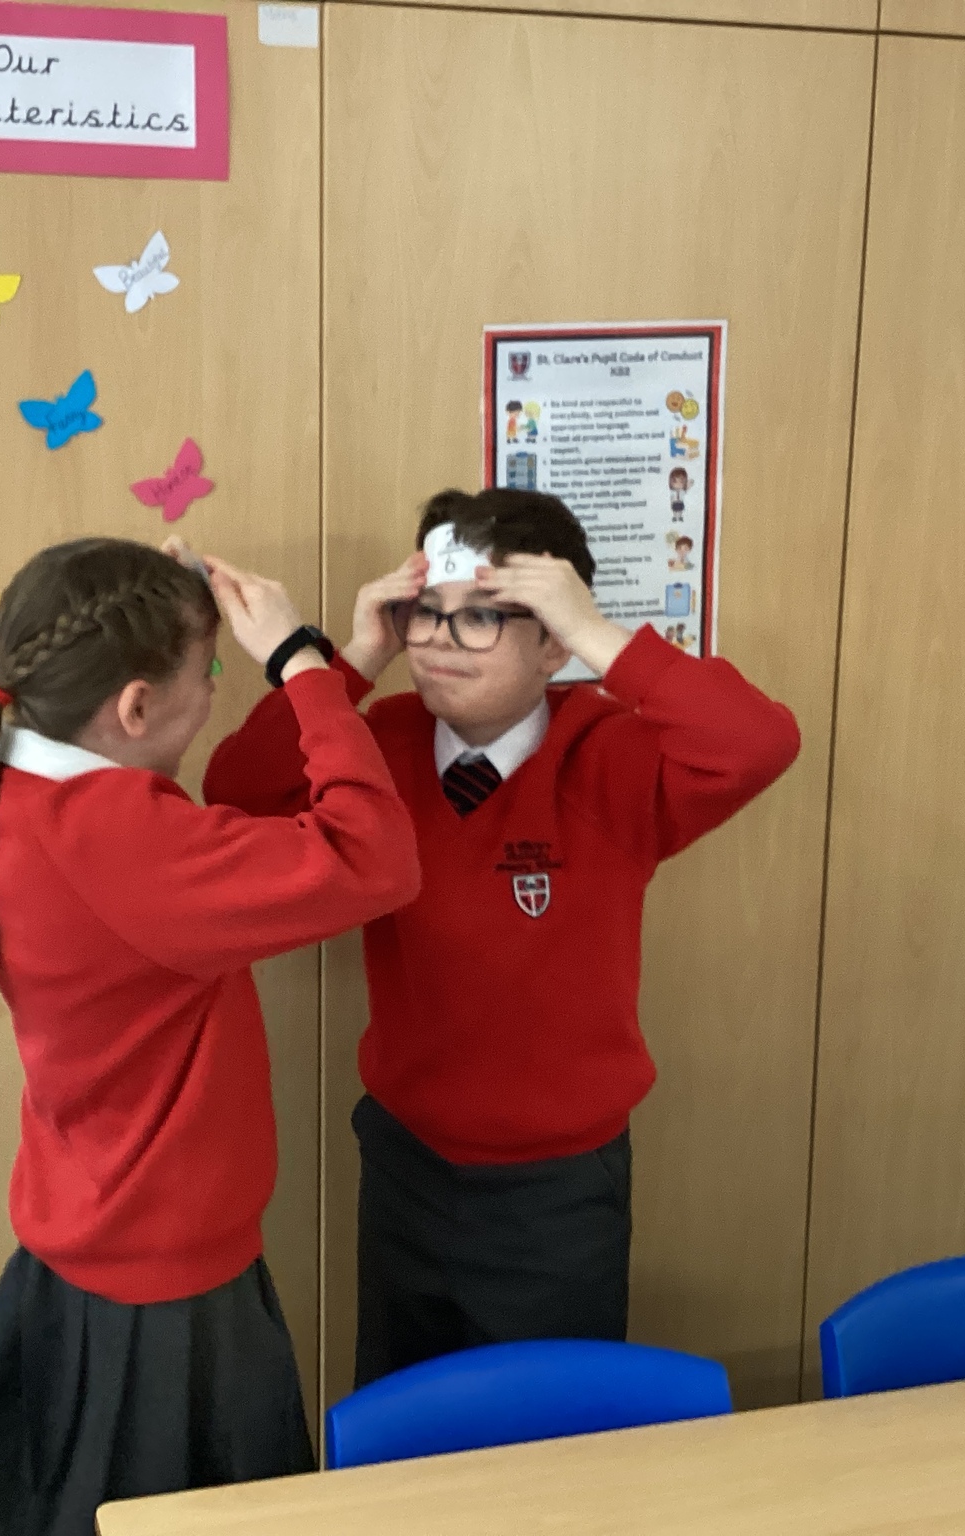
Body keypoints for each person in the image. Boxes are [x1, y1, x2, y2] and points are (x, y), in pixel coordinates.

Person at [202, 489, 799, 1387]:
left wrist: (596, 635)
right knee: (403, 1410)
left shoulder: (610, 758)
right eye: (427, 613)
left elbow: (757, 742)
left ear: (551, 641)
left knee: (546, 1430)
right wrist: (354, 661)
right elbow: (241, 791)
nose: (441, 641)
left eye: (481, 616)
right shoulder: (379, 744)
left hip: (556, 1191)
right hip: (406, 1165)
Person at [0, 537, 420, 1534]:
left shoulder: (37, 788)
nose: (218, 690)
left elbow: (239, 796)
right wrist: (300, 662)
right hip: (162, 1292)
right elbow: (376, 859)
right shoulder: (126, 838)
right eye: (210, 673)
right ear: (135, 709)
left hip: (94, 1247)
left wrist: (350, 662)